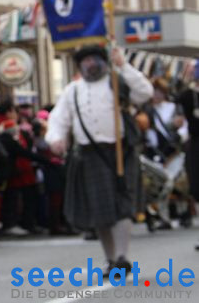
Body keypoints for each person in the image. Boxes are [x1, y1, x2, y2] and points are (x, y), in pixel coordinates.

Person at [47, 45, 152, 276]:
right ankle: (111, 258)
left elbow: (145, 92)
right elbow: (58, 119)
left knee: (123, 205)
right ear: (80, 66)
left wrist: (124, 65)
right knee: (100, 210)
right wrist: (56, 139)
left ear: (104, 62)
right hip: (89, 154)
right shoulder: (72, 90)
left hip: (120, 151)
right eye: (86, 61)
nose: (91, 64)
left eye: (95, 59)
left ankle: (123, 256)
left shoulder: (117, 82)